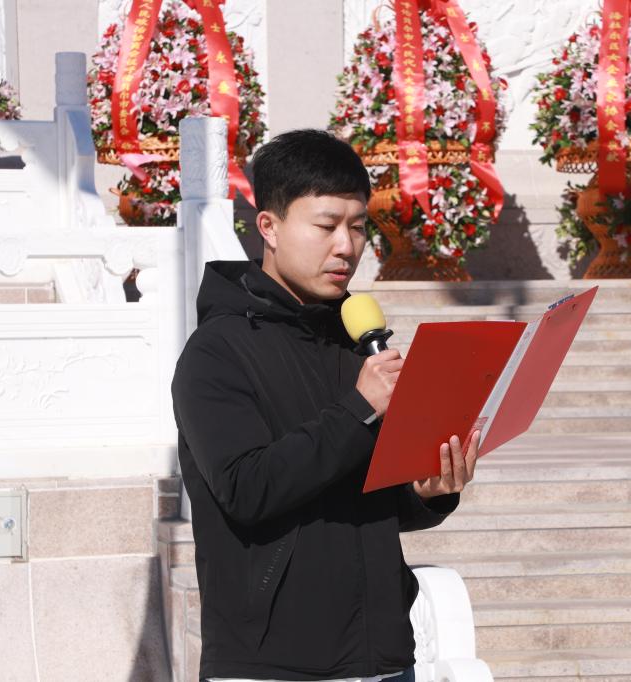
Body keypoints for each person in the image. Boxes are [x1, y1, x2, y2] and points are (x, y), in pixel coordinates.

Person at [171, 129, 479, 682]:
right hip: (272, 665)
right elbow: (247, 490)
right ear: (269, 226)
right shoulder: (216, 351)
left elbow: (371, 504)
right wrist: (360, 409)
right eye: (326, 225)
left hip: (384, 658)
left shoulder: (356, 347)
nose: (346, 247)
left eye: (358, 227)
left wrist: (427, 492)